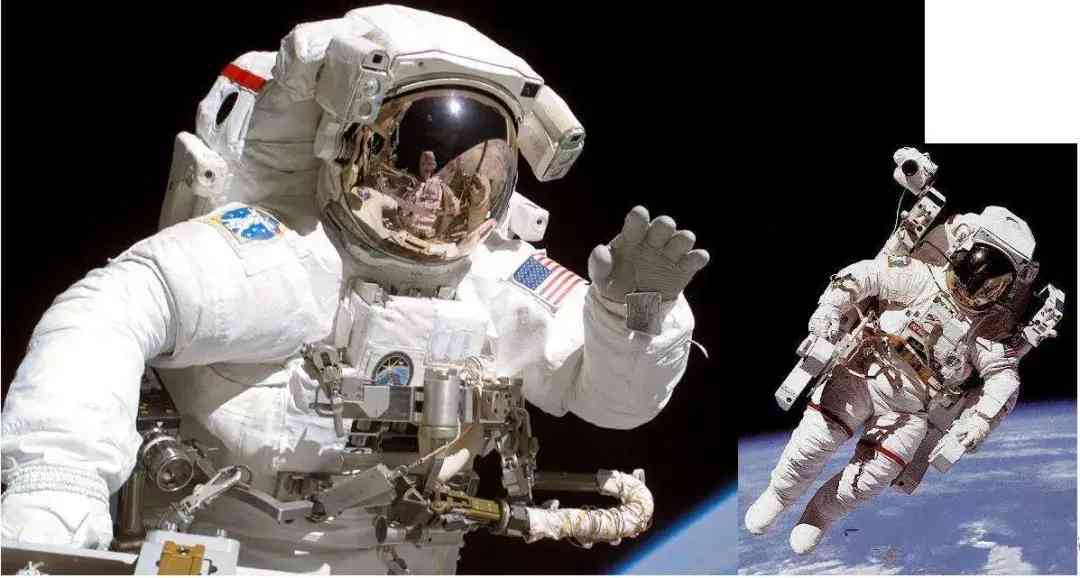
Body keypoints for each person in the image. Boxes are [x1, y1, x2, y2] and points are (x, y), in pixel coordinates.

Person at [1, 5, 709, 573]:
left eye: (471, 172)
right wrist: (54, 491)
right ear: (346, 147)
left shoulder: (499, 278)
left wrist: (632, 319)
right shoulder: (279, 252)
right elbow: (107, 313)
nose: (434, 194)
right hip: (238, 557)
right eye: (409, 159)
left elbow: (611, 401)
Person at [745, 205, 1049, 555]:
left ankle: (819, 515)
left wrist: (979, 422)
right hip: (865, 370)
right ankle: (779, 495)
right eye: (975, 272)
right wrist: (829, 310)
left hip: (911, 410)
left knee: (872, 479)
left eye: (992, 286)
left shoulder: (986, 331)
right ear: (962, 252)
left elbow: (1004, 379)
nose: (978, 288)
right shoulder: (921, 277)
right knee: (812, 445)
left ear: (1006, 291)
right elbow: (865, 275)